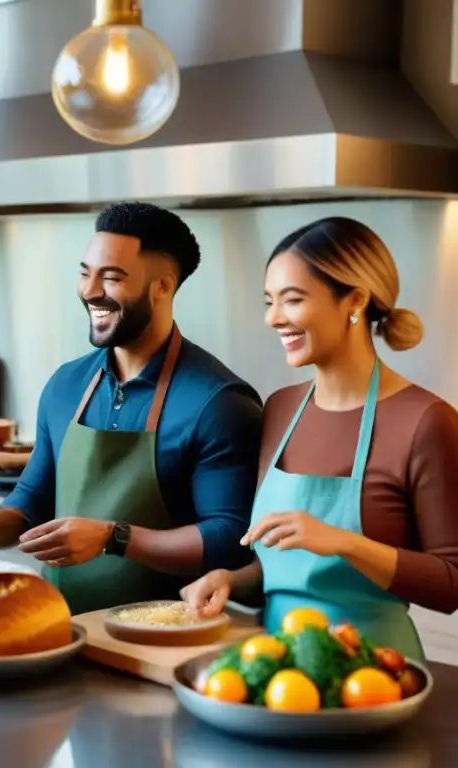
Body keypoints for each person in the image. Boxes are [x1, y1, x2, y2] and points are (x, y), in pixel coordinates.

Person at [0, 202, 264, 615]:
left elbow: (229, 537)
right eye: (85, 273)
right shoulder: (65, 386)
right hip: (59, 627)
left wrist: (114, 537)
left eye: (111, 277)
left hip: (159, 637)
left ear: (162, 287)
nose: (90, 292)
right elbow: (35, 496)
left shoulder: (218, 402)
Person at [181, 217, 458, 661]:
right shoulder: (280, 409)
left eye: (292, 300)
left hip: (375, 675)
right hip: (275, 670)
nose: (273, 318)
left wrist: (344, 541)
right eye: (269, 301)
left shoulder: (426, 421)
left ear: (355, 301)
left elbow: (451, 584)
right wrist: (232, 580)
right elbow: (288, 565)